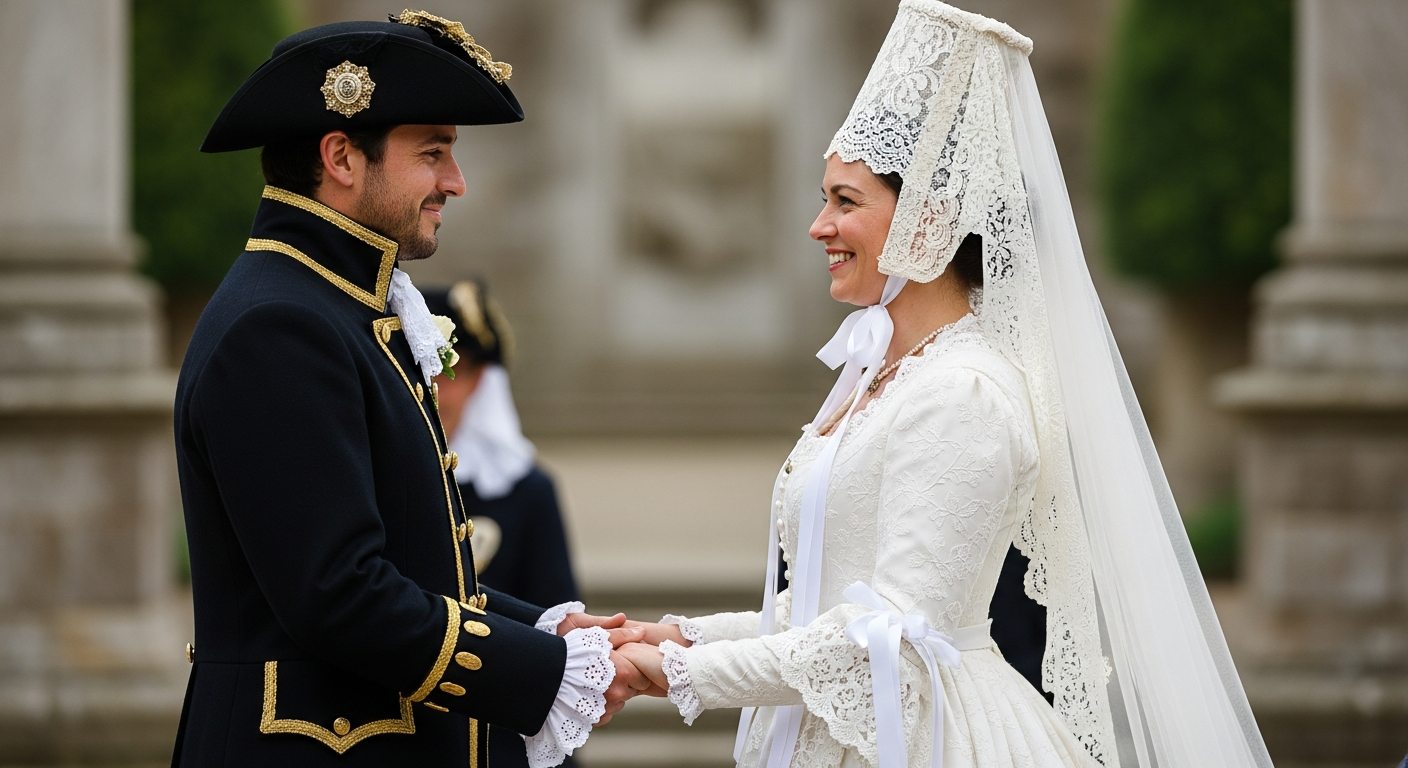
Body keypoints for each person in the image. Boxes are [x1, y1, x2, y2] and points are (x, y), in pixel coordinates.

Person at [612, 2, 1276, 767]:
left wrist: (681, 673)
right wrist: (683, 635)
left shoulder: (963, 395)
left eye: (844, 201)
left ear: (926, 223)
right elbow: (833, 601)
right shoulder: (887, 377)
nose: (818, 226)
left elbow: (890, 637)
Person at [172, 12, 652, 767]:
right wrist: (551, 674)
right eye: (433, 153)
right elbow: (340, 595)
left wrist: (556, 631)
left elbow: (416, 570)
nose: (454, 182)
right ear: (340, 157)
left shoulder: (338, 307)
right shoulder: (278, 325)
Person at [423, 281, 583, 768]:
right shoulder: (375, 478)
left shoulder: (526, 489)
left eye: (452, 372)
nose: (436, 391)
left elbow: (553, 620)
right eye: (425, 371)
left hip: (500, 736)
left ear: (479, 380)